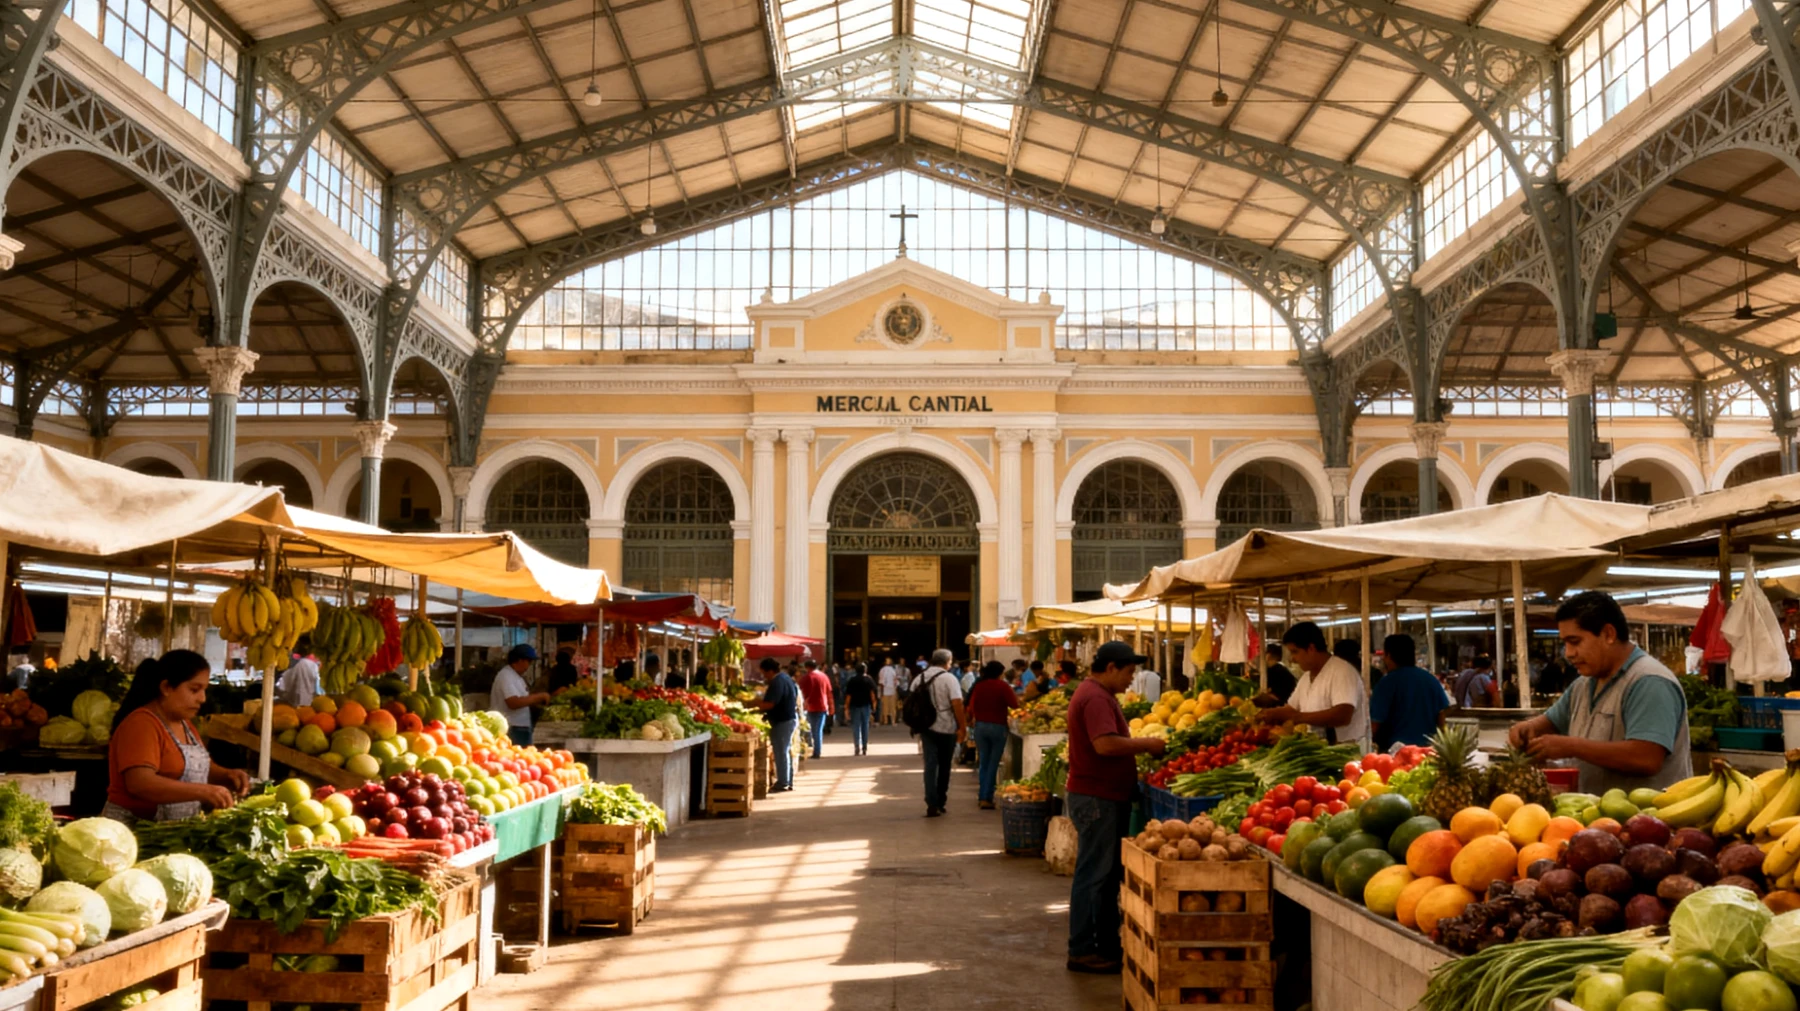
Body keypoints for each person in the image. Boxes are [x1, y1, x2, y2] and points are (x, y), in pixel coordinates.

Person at [1508, 590, 1693, 794]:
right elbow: (1548, 723)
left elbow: (1647, 758)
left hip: (1647, 821)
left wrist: (1571, 746)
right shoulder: (1583, 685)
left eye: (1575, 641)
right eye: (1565, 643)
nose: (1568, 653)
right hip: (1594, 820)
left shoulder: (1649, 682)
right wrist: (1526, 729)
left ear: (1608, 634)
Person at [1065, 641, 1168, 975]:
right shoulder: (1095, 697)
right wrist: (1147, 744)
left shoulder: (1095, 693)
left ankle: (1104, 947)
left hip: (1102, 795)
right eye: (1128, 672)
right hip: (1097, 798)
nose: (1130, 679)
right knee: (1094, 876)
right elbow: (1105, 744)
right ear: (1110, 668)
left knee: (1103, 876)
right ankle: (1083, 950)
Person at [104, 649, 249, 824]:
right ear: (166, 687)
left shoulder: (184, 724)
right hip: (133, 832)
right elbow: (140, 783)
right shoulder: (141, 724)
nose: (202, 698)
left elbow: (200, 769)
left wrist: (227, 775)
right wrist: (204, 792)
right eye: (194, 690)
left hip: (168, 831)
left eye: (204, 690)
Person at [1258, 622, 1368, 750]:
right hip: (1319, 752)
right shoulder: (1306, 678)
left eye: (1295, 652)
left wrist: (1298, 718)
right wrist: (1269, 714)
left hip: (1345, 754)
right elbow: (1292, 708)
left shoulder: (1342, 672)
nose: (1293, 659)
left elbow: (1343, 715)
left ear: (1311, 648)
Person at [1369, 634, 1449, 750]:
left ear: (1388, 655)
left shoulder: (1386, 683)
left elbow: (1375, 724)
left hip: (1396, 753)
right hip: (1427, 750)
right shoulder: (1430, 680)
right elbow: (1442, 717)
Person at [912, 648, 967, 817]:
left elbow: (912, 702)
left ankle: (931, 801)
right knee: (944, 765)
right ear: (947, 662)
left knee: (929, 765)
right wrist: (962, 727)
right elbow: (957, 703)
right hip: (947, 726)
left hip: (926, 727)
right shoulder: (949, 679)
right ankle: (940, 800)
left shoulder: (919, 678)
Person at [967, 660, 1021, 809]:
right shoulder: (1003, 686)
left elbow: (971, 707)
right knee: (993, 763)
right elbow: (1014, 704)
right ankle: (986, 797)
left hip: (980, 727)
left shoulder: (979, 686)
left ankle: (982, 795)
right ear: (999, 673)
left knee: (984, 762)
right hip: (998, 727)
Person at [489, 644, 551, 747]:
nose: (529, 666)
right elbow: (513, 702)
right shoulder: (506, 676)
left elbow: (524, 698)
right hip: (512, 728)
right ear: (520, 660)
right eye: (529, 662)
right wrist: (540, 697)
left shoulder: (517, 677)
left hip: (520, 727)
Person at [755, 657, 799, 792]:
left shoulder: (777, 682)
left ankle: (783, 782)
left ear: (770, 671)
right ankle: (787, 780)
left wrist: (755, 705)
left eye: (764, 673)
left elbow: (770, 703)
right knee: (785, 750)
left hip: (782, 721)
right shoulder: (786, 679)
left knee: (781, 752)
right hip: (789, 719)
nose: (764, 677)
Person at [274, 637, 320, 708]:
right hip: (312, 707)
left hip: (299, 707)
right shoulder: (310, 664)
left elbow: (281, 688)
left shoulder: (304, 664)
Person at [800, 661, 834, 759]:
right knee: (818, 730)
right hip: (822, 706)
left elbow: (801, 692)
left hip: (809, 706)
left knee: (809, 729)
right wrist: (831, 707)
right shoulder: (824, 677)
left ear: (807, 667)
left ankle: (812, 749)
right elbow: (829, 693)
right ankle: (817, 751)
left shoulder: (806, 678)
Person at [844, 663, 877, 755]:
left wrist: (846, 707)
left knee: (856, 726)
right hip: (866, 706)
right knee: (865, 726)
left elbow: (848, 695)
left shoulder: (852, 680)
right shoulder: (869, 680)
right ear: (865, 670)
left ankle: (857, 746)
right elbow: (872, 694)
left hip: (854, 706)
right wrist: (874, 705)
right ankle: (864, 747)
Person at [878, 656, 900, 725]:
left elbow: (881, 682)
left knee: (886, 706)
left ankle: (887, 720)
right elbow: (896, 680)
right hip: (890, 690)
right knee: (891, 706)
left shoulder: (884, 670)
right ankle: (889, 720)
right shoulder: (892, 670)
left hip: (888, 690)